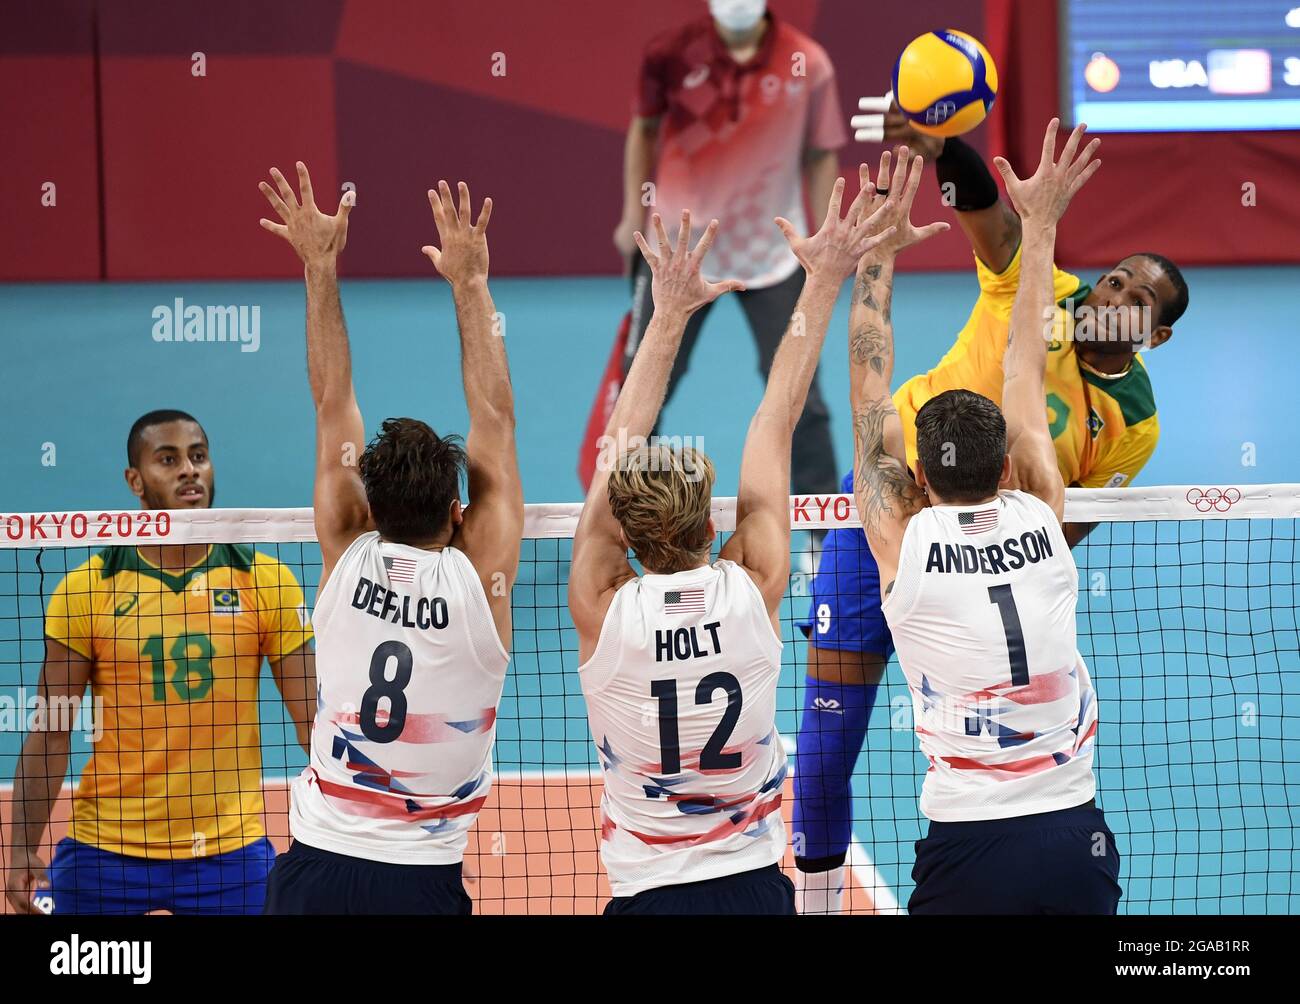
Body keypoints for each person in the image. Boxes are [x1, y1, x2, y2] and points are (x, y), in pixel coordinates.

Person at [790, 103, 1188, 912]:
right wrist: (942, 146)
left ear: (1155, 336)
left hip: (963, 573)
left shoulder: (1133, 426)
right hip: (884, 511)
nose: (1114, 294)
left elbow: (1056, 531)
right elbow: (983, 208)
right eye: (1116, 275)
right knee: (828, 736)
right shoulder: (1039, 289)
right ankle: (819, 902)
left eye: (1137, 299)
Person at [571, 178, 899, 914]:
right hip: (751, 890)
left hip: (648, 894)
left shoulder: (601, 603)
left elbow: (617, 442)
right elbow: (775, 419)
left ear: (622, 534)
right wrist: (821, 283)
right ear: (714, 531)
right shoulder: (753, 581)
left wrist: (666, 317)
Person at [851, 124, 1121, 914]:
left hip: (966, 840)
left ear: (918, 477)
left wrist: (874, 252)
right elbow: (1024, 362)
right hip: (1077, 837)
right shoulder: (1042, 510)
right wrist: (1039, 227)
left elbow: (871, 392)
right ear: (1007, 465)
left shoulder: (902, 539)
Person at [256, 166, 522, 914]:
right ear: (460, 513)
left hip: (317, 871)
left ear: (367, 506)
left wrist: (319, 266)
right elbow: (495, 428)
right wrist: (470, 287)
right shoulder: (480, 580)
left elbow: (330, 397)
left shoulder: (346, 543)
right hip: (421, 882)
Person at [4, 410, 316, 915]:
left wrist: (387, 832)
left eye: (197, 456)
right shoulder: (87, 589)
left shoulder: (266, 580)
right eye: (167, 460)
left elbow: (314, 724)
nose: (189, 470)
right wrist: (20, 847)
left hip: (230, 852)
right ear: (135, 480)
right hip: (105, 849)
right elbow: (51, 730)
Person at [614, 0, 848, 497]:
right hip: (678, 256)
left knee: (800, 390)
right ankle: (628, 505)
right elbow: (644, 129)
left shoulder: (809, 62)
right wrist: (632, 216)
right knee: (640, 385)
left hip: (774, 254)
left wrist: (827, 232)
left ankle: (821, 523)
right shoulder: (669, 55)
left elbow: (822, 153)